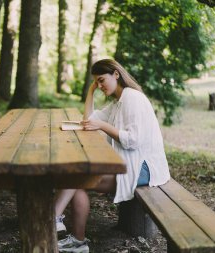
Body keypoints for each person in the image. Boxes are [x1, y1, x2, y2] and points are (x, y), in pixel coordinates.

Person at [56, 59, 170, 253]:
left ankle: (54, 219)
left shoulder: (132, 98)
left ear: (116, 74)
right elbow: (88, 120)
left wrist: (103, 126)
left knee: (76, 177)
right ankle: (77, 241)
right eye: (96, 83)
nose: (100, 86)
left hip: (145, 168)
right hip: (130, 162)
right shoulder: (118, 102)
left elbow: (133, 140)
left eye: (101, 81)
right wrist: (90, 91)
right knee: (76, 182)